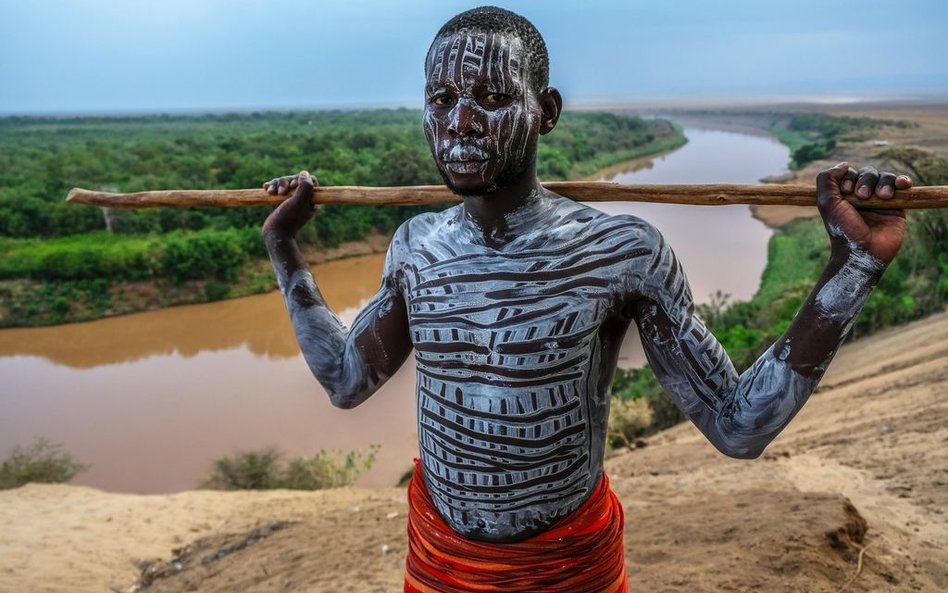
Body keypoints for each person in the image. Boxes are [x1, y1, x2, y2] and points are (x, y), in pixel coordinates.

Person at [260, 6, 913, 592]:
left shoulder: (620, 252)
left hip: (569, 570)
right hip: (440, 565)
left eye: (490, 97)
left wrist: (851, 267)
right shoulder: (415, 246)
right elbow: (346, 381)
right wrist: (284, 248)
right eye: (441, 97)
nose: (459, 121)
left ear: (545, 111)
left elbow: (739, 425)